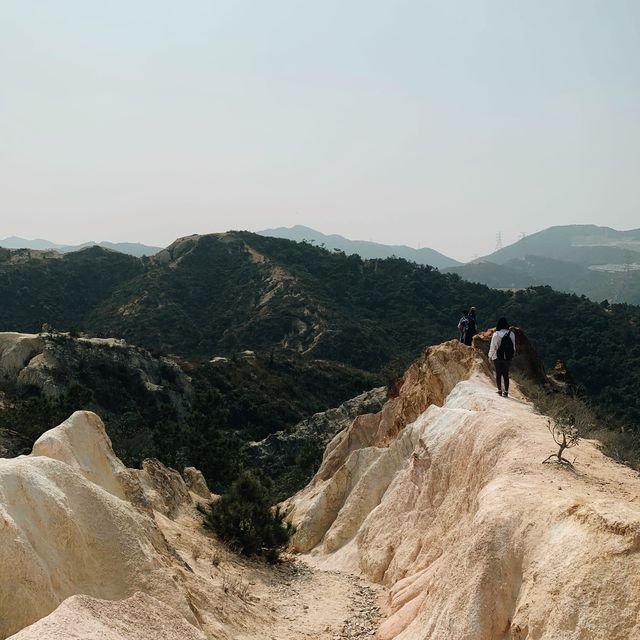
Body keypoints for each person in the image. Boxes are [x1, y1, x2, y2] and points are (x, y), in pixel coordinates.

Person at [488, 317, 516, 397]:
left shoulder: (496, 334)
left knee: (498, 373)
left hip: (497, 357)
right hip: (507, 357)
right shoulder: (512, 334)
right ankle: (506, 392)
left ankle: (499, 390)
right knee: (506, 374)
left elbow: (492, 347)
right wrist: (511, 356)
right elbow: (513, 347)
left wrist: (490, 356)